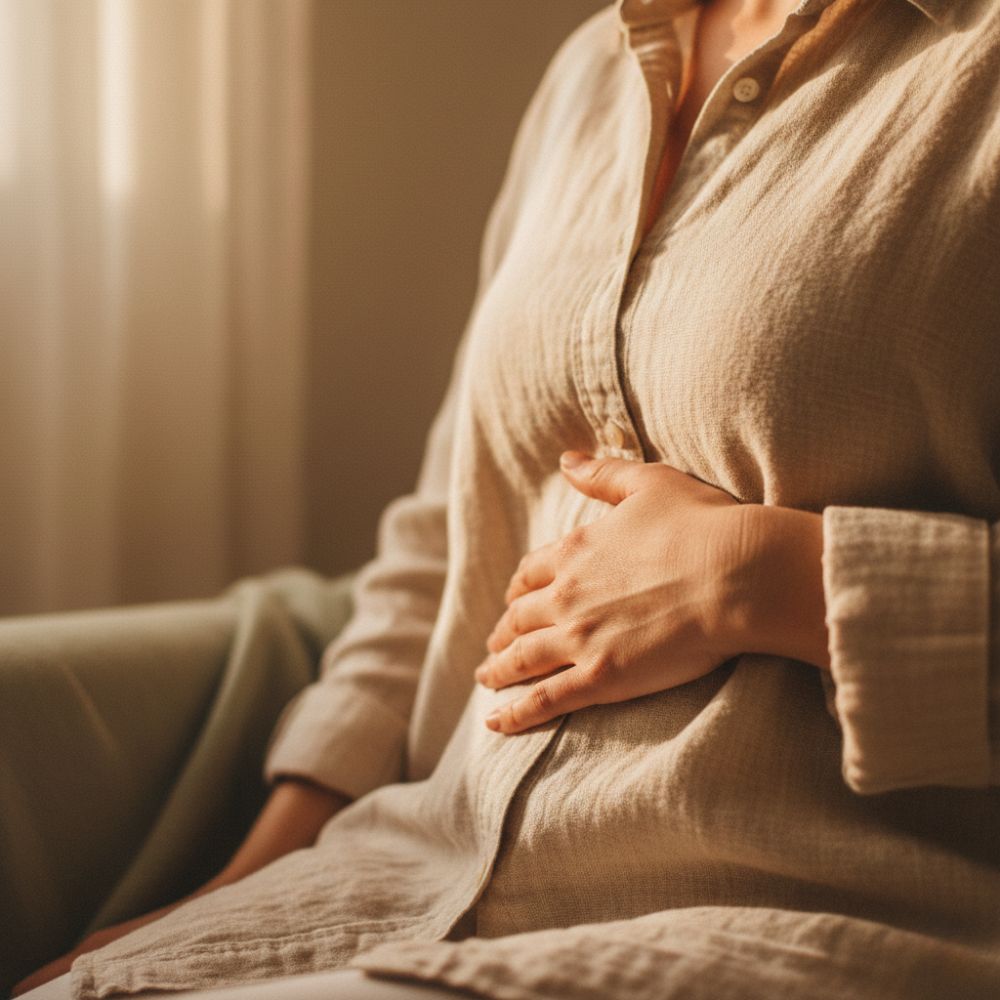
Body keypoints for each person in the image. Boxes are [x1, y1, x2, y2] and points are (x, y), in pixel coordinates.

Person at [15, 0, 1000, 997]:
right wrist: (239, 886)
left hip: (801, 911)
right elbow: (451, 537)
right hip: (409, 875)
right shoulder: (590, 71)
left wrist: (766, 578)